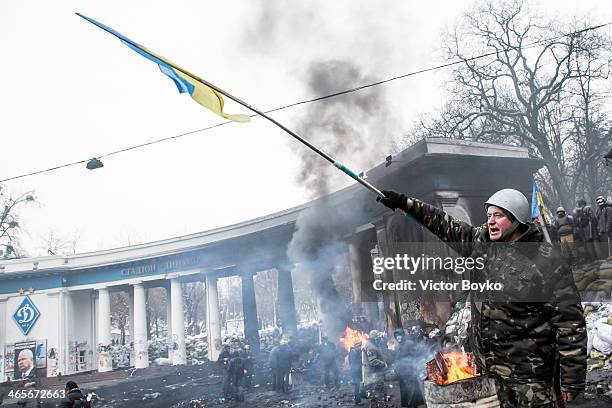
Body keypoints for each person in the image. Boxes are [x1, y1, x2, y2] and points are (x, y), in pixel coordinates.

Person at [377, 189, 586, 407]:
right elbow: (443, 223)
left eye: (499, 216)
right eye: (489, 216)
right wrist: (405, 203)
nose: (491, 222)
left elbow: (570, 323)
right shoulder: (481, 243)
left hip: (531, 374)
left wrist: (572, 379)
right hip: (494, 370)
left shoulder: (548, 261)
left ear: (517, 219)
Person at [393, 328, 424, 408]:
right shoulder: (397, 346)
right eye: (396, 336)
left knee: (412, 391)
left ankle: (413, 405)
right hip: (401, 373)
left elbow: (416, 355)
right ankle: (409, 405)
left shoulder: (409, 344)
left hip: (410, 372)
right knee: (405, 392)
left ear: (402, 335)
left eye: (399, 335)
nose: (398, 337)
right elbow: (397, 358)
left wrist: (413, 365)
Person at [362, 330, 388, 405]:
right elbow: (373, 361)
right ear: (374, 338)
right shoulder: (371, 347)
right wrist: (383, 364)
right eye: (378, 338)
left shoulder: (372, 344)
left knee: (376, 397)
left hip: (375, 375)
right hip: (374, 376)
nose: (380, 339)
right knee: (378, 396)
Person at [348, 340, 364, 405]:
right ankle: (357, 401)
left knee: (361, 384)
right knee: (357, 385)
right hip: (355, 371)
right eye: (359, 345)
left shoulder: (357, 351)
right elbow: (354, 362)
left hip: (358, 371)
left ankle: (362, 396)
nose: (360, 347)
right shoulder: (354, 352)